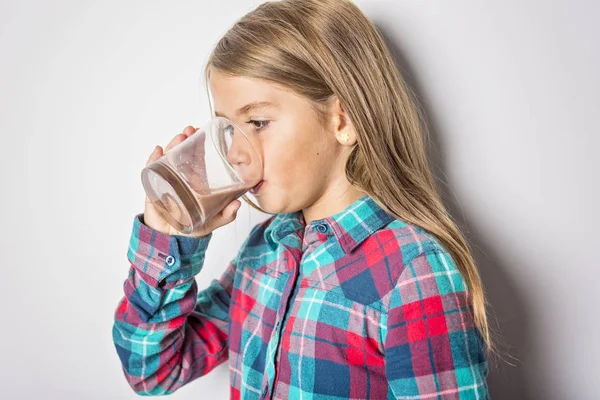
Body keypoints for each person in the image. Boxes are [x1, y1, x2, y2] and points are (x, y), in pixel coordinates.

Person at [112, 0, 492, 398]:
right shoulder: (264, 250)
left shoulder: (413, 272)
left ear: (343, 121)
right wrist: (169, 243)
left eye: (257, 122)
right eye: (227, 129)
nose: (235, 153)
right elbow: (152, 372)